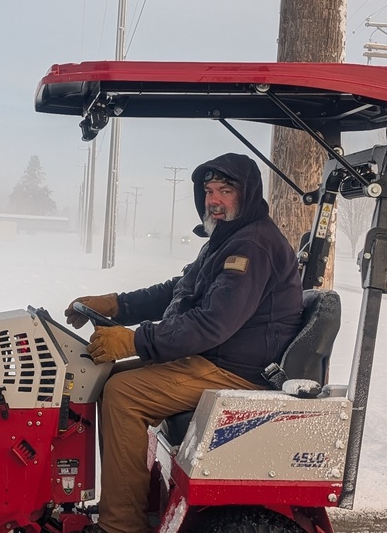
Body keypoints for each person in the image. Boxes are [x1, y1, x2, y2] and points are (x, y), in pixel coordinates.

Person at [65, 152, 304, 533]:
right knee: (109, 380)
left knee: (124, 394)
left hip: (235, 369)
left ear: (247, 194)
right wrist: (116, 304)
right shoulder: (227, 239)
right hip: (214, 356)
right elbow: (177, 291)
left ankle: (122, 526)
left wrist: (134, 339)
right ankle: (128, 502)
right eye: (209, 191)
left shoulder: (252, 246)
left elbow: (213, 323)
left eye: (226, 190)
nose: (214, 200)